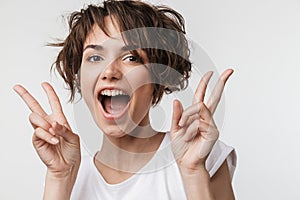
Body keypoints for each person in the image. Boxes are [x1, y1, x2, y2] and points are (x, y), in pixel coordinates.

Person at [14, 0, 236, 199]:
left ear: (157, 77)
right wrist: (60, 178)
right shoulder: (69, 172)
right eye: (95, 57)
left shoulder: (198, 154)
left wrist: (193, 174)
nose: (109, 71)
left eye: (131, 57)